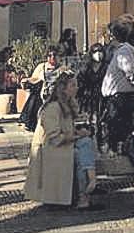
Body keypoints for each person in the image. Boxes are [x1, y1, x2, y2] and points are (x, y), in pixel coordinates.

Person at [23, 72, 91, 207]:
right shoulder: (53, 107)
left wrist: (78, 133)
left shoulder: (69, 104)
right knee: (82, 151)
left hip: (58, 144)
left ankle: (85, 191)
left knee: (86, 145)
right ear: (64, 88)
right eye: (73, 85)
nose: (76, 88)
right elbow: (55, 137)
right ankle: (84, 193)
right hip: (49, 149)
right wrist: (77, 136)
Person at [100, 18, 134, 152]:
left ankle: (117, 153)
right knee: (117, 126)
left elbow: (130, 70)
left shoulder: (123, 52)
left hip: (121, 98)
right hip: (122, 96)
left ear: (114, 36)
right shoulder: (127, 49)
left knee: (116, 128)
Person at [19, 46, 61, 133]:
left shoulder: (62, 68)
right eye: (50, 55)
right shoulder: (42, 66)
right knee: (35, 95)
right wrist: (25, 80)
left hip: (56, 93)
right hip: (43, 92)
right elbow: (34, 78)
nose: (52, 57)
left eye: (54, 55)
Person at [77, 42, 109, 148]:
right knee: (88, 121)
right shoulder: (86, 67)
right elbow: (80, 81)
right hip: (88, 98)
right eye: (95, 51)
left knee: (101, 121)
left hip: (102, 97)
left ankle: (101, 143)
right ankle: (88, 142)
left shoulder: (106, 67)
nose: (98, 54)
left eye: (100, 51)